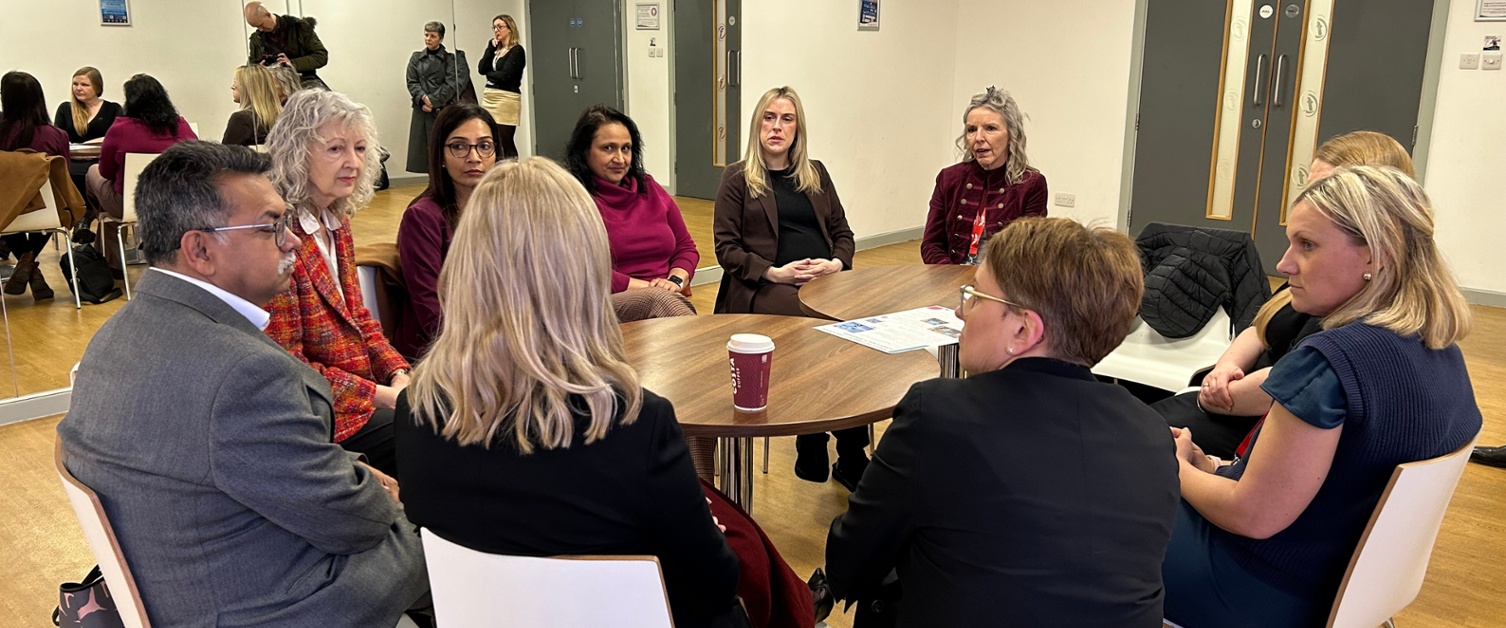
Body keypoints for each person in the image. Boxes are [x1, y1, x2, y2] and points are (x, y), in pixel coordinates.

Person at [396, 157, 814, 628]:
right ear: (585, 267)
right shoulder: (635, 421)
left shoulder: (416, 411)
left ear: (465, 266)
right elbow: (715, 583)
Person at [56, 141, 428, 627]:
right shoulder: (242, 374)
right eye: (271, 227)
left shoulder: (117, 335)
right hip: (268, 603)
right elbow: (352, 523)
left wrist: (355, 472)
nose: (293, 241)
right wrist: (390, 496)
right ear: (201, 250)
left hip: (183, 580)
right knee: (461, 528)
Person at [1162, 166, 1481, 627]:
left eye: (1307, 245)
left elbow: (1252, 515)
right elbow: (1327, 484)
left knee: (1087, 507)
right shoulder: (1441, 350)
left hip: (1257, 589)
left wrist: (1173, 467)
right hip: (1339, 587)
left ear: (1376, 254)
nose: (1285, 264)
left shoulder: (1329, 364)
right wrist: (1209, 468)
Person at [825, 217, 1179, 626]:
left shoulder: (938, 416)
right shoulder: (1152, 433)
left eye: (974, 296)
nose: (960, 310)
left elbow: (848, 563)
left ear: (1024, 329)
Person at [1153, 130, 1417, 459]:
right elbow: (1262, 327)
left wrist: (1218, 396)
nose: (1284, 263)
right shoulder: (1320, 280)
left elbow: (1291, 385)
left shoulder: (1359, 329)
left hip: (1251, 422)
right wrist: (1224, 368)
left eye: (1326, 189)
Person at [712, 86, 864, 489]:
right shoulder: (737, 178)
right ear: (757, 124)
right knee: (815, 324)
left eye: (787, 119)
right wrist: (776, 272)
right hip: (763, 287)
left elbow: (843, 233)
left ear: (798, 129)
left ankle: (849, 452)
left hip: (823, 281)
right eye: (769, 117)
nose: (777, 127)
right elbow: (726, 249)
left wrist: (835, 263)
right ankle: (813, 435)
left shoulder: (815, 173)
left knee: (857, 329)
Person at [265, 90, 410, 477]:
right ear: (297, 153)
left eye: (361, 149)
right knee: (434, 436)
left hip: (356, 394)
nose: (354, 163)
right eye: (335, 149)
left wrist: (399, 372)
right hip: (317, 415)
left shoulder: (335, 221)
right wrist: (384, 396)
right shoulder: (278, 237)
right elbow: (287, 366)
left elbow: (359, 317)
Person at [565, 105, 698, 321]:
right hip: (604, 303)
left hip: (666, 297)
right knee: (661, 304)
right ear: (585, 152)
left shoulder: (649, 187)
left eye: (625, 148)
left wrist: (675, 281)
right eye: (608, 148)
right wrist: (652, 290)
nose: (620, 159)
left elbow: (686, 247)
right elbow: (579, 271)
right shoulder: (571, 199)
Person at [395, 104, 499, 359]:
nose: (474, 157)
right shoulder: (422, 217)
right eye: (459, 146)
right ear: (440, 155)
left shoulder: (502, 210)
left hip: (495, 342)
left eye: (484, 146)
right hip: (439, 354)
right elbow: (433, 315)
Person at [920, 87, 1047, 265]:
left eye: (990, 128)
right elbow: (931, 244)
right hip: (949, 276)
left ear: (1011, 135)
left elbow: (1028, 253)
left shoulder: (1031, 184)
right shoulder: (948, 178)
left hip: (1002, 282)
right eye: (971, 130)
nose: (978, 137)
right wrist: (949, 278)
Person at [86, 73, 197, 276]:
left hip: (129, 203)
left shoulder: (120, 128)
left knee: (92, 173)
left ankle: (110, 256)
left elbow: (106, 172)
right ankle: (111, 247)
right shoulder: (181, 125)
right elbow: (196, 159)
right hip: (174, 202)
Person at [0, 70, 70, 300]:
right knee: (56, 205)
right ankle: (30, 265)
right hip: (48, 214)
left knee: (6, 205)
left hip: (7, 212)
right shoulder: (57, 136)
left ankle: (26, 263)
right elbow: (63, 178)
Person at [405, 21, 472, 174]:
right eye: (426, 35)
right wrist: (423, 98)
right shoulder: (416, 58)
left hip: (442, 109)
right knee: (425, 154)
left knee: (444, 149)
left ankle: (444, 185)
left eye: (433, 36)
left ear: (441, 39)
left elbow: (452, 84)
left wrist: (433, 101)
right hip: (422, 109)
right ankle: (431, 185)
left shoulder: (450, 59)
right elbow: (411, 81)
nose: (428, 38)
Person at [53, 66, 121, 213]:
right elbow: (59, 138)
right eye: (75, 84)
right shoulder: (65, 109)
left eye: (84, 85)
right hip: (72, 163)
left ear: (97, 87)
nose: (78, 88)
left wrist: (83, 145)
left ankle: (87, 218)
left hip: (101, 162)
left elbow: (115, 138)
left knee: (98, 177)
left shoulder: (113, 109)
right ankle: (81, 218)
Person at [244, 1, 330, 90]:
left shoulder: (299, 28)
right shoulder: (257, 39)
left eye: (261, 24)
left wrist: (292, 63)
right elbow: (251, 67)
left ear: (268, 15)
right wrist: (259, 70)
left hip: (305, 83)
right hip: (274, 88)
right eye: (257, 27)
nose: (260, 29)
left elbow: (321, 56)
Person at [478, 14, 525, 159]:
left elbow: (506, 76)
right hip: (490, 97)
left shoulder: (516, 50)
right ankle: (498, 173)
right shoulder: (496, 50)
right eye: (494, 27)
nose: (496, 30)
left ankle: (513, 173)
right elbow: (481, 69)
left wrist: (490, 74)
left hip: (506, 98)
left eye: (500, 27)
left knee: (505, 139)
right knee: (492, 139)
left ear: (510, 29)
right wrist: (489, 49)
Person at [222, 64, 283, 146]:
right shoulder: (285, 116)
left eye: (235, 82)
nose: (232, 87)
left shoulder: (241, 119)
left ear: (247, 87)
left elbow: (225, 156)